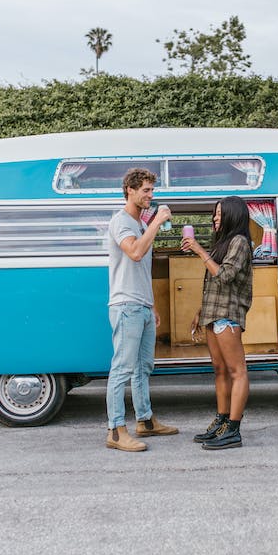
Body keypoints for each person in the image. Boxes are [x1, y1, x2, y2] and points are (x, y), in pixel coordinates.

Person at [105, 168, 179, 452]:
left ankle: (145, 421)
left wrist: (152, 305)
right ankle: (115, 431)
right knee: (122, 369)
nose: (151, 195)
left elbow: (141, 270)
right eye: (146, 190)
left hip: (142, 306)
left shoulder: (138, 224)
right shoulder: (121, 221)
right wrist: (158, 221)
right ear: (130, 190)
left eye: (152, 190)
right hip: (126, 306)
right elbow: (134, 252)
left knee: (143, 368)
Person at [182, 196, 253, 450]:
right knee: (220, 371)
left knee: (237, 371)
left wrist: (199, 250)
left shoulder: (240, 242)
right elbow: (213, 284)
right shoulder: (223, 243)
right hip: (214, 314)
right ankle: (222, 423)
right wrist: (201, 311)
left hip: (228, 316)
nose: (215, 218)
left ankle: (233, 429)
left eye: (220, 214)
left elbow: (225, 276)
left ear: (233, 216)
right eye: (215, 213)